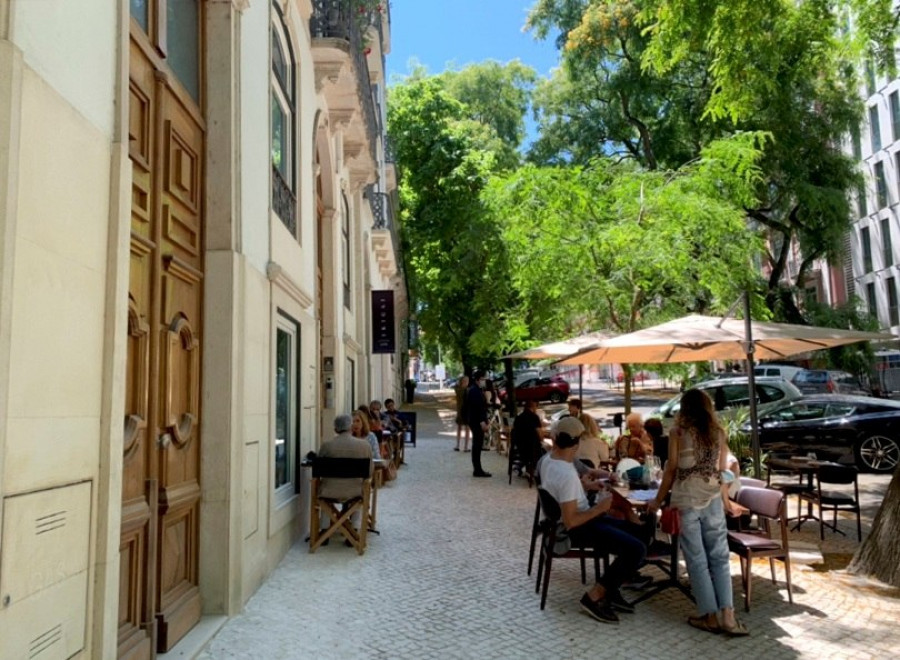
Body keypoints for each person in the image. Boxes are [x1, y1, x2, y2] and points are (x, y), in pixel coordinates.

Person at [648, 389, 750, 637]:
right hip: (713, 499)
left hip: (687, 501)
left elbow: (671, 471)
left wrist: (657, 501)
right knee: (719, 557)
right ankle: (728, 615)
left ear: (684, 408)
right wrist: (726, 501)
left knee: (696, 559)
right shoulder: (718, 433)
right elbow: (723, 473)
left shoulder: (678, 433)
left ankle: (710, 616)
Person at [539, 423, 647, 624]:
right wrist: (601, 508)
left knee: (639, 532)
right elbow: (571, 522)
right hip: (576, 530)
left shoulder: (548, 460)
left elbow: (561, 491)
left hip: (574, 521)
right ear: (577, 443)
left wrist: (585, 486)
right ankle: (594, 596)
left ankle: (611, 588)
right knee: (636, 549)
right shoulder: (567, 474)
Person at [317, 414, 374, 528]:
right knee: (359, 495)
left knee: (325, 498)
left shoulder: (327, 446)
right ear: (350, 427)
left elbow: (319, 470)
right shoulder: (364, 446)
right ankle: (354, 529)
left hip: (329, 491)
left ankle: (324, 529)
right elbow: (369, 471)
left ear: (335, 429)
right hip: (355, 491)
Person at [465, 370, 491, 477]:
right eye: (483, 379)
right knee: (477, 445)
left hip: (475, 421)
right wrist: (482, 422)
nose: (484, 381)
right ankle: (477, 470)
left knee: (477, 445)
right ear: (478, 380)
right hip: (476, 422)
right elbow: (477, 408)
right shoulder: (474, 391)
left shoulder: (476, 390)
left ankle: (478, 468)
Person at [511, 399, 545, 481]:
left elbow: (514, 432)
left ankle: (527, 469)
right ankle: (535, 472)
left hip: (520, 448)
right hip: (532, 449)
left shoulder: (518, 418)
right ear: (533, 407)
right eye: (536, 406)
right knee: (545, 451)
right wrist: (542, 438)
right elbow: (540, 434)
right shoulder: (534, 417)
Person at [454, 376, 470, 452]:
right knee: (467, 429)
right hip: (466, 411)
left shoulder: (457, 389)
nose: (467, 382)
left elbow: (455, 385)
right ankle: (465, 447)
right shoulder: (467, 390)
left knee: (459, 428)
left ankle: (457, 445)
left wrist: (459, 382)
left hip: (460, 411)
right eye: (466, 381)